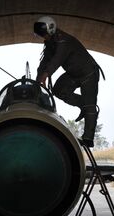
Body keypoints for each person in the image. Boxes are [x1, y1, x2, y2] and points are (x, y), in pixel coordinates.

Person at [34, 16, 102, 147]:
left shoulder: (63, 40)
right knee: (58, 91)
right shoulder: (50, 44)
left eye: (44, 34)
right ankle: (85, 105)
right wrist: (37, 82)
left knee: (90, 105)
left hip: (89, 73)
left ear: (51, 30)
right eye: (41, 35)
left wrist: (46, 74)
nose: (43, 37)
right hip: (73, 73)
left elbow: (57, 60)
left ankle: (88, 139)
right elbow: (44, 63)